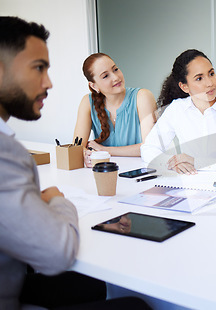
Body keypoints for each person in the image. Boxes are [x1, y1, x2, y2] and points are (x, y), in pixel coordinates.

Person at [0, 16, 150, 310]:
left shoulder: (140, 96)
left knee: (96, 282)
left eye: (115, 70)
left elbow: (147, 148)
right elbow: (58, 252)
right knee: (135, 305)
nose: (49, 83)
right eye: (38, 68)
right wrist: (57, 200)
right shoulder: (7, 153)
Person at [141, 49, 216, 174]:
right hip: (192, 186)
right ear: (184, 86)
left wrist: (197, 162)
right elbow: (148, 148)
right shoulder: (177, 109)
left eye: (211, 73)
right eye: (199, 78)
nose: (209, 83)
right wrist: (172, 162)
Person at [74, 53, 156, 167]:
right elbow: (77, 147)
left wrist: (104, 150)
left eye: (115, 69)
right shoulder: (87, 102)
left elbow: (150, 147)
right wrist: (86, 154)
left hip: (140, 171)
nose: (116, 77)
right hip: (104, 172)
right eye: (105, 76)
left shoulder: (142, 97)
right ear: (94, 86)